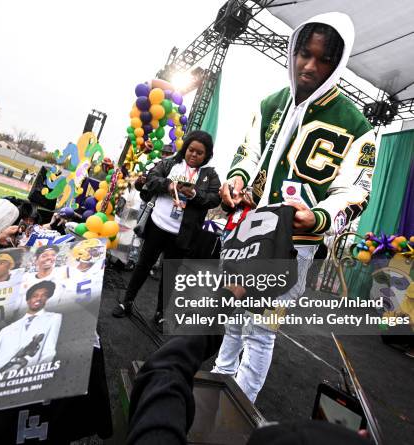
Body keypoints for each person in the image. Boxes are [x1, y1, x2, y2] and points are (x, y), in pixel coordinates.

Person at [213, 13, 376, 403]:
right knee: (236, 313)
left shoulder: (357, 126)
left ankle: (240, 402)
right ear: (295, 52)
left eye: (323, 59)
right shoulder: (272, 102)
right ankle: (218, 379)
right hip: (251, 231)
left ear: (337, 64)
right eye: (306, 53)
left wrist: (318, 216)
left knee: (262, 329)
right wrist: (237, 177)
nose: (310, 65)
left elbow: (356, 191)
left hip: (296, 242)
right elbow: (248, 151)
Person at [112, 130, 221, 327]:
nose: (193, 155)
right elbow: (151, 178)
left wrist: (195, 194)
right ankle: (126, 302)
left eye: (199, 153)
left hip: (183, 234)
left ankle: (161, 314)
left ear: (207, 155)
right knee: (143, 265)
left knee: (170, 274)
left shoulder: (210, 175)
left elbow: (215, 199)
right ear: (185, 148)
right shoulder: (170, 163)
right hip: (158, 225)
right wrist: (170, 187)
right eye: (191, 150)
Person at [0, 280, 62, 377]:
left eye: (44, 295)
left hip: (26, 376)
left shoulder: (54, 318)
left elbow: (48, 352)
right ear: (28, 300)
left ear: (47, 298)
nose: (39, 298)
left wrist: (40, 376)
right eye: (35, 296)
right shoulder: (6, 330)